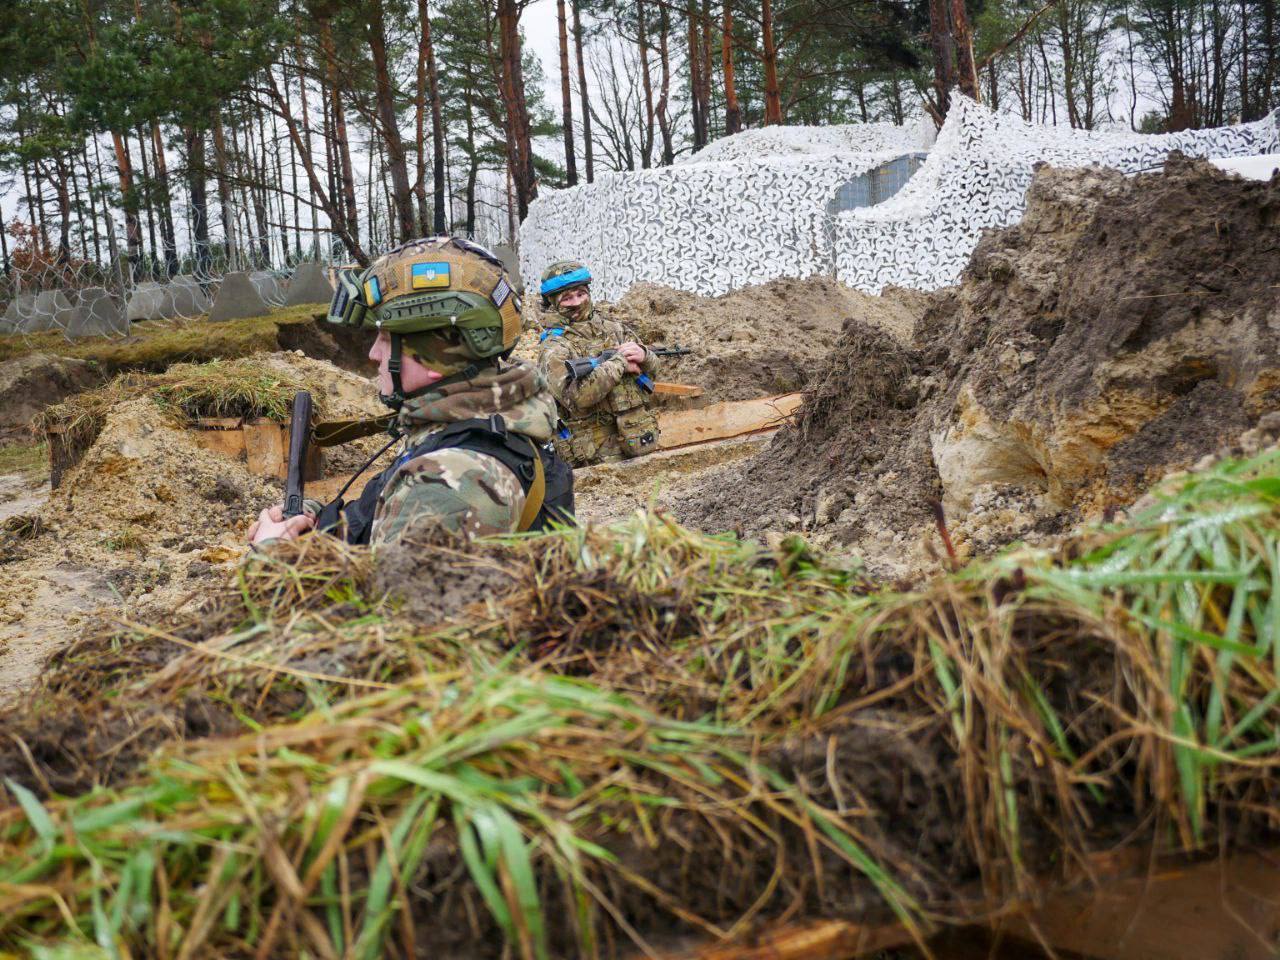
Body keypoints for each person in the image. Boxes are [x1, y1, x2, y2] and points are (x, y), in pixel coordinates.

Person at [249, 236, 573, 548]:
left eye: (387, 340)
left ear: (436, 357)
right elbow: (383, 528)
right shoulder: (481, 419)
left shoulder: (450, 483)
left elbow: (396, 602)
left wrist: (272, 558)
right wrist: (318, 524)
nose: (374, 354)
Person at [535, 261, 662, 466]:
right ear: (553, 303)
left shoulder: (614, 329)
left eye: (581, 294)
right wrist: (619, 363)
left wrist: (646, 356)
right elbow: (577, 398)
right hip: (595, 459)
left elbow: (653, 377)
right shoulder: (553, 347)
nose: (577, 302)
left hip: (638, 438)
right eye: (567, 298)